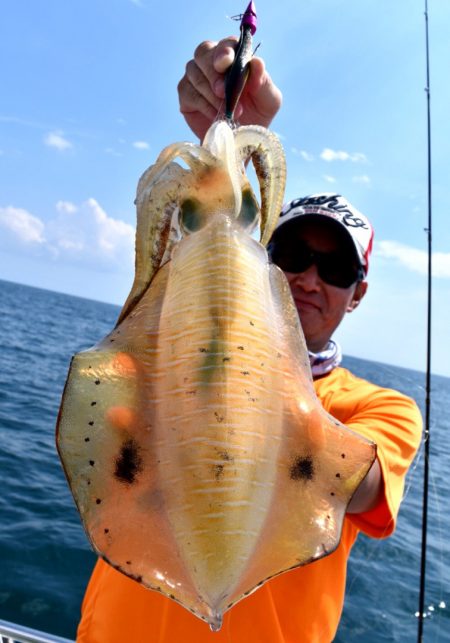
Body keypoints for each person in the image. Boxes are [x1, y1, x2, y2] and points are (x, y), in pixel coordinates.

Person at [77, 39, 422, 642]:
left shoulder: (379, 410)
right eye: (291, 254)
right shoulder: (172, 355)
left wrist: (261, 382)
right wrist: (232, 138)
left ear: (357, 295)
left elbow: (360, 486)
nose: (310, 279)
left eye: (335, 269)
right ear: (263, 256)